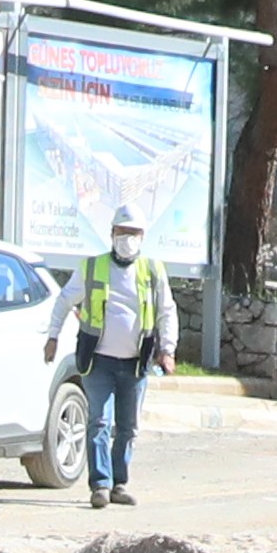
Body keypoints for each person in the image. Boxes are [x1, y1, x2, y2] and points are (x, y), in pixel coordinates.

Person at [44, 202, 177, 509]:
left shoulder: (153, 271)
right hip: (98, 360)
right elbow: (64, 301)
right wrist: (52, 337)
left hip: (135, 363)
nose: (126, 238)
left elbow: (167, 312)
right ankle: (100, 485)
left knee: (128, 427)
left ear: (142, 236)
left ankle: (120, 483)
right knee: (99, 421)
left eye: (133, 233)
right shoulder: (92, 267)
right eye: (121, 232)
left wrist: (167, 350)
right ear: (111, 233)